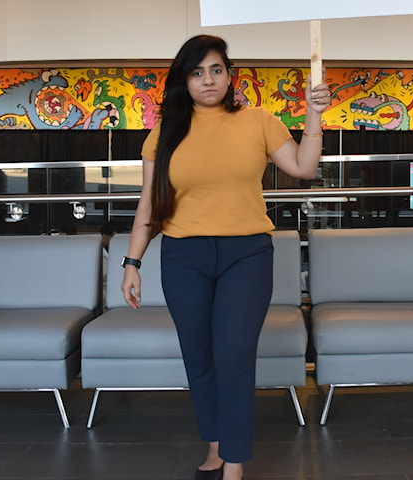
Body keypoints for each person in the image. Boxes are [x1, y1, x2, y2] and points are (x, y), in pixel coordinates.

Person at [119, 35, 330, 480]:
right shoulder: (166, 133)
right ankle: (215, 447)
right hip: (183, 256)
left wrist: (314, 114)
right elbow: (150, 203)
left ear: (229, 75)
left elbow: (303, 168)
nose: (208, 80)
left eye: (216, 70)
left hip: (246, 254)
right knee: (199, 356)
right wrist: (131, 263)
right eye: (197, 73)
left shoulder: (258, 121)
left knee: (234, 355)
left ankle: (233, 465)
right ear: (184, 81)